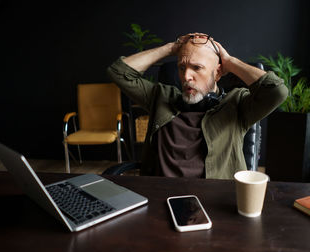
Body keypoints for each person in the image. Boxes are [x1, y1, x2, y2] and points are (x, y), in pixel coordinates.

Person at [107, 33, 288, 179]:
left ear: (217, 73)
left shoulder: (237, 104)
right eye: (182, 67)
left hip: (215, 200)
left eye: (197, 68)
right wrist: (171, 48)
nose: (186, 76)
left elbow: (277, 91)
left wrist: (230, 61)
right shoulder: (160, 97)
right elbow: (119, 72)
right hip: (161, 198)